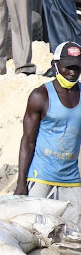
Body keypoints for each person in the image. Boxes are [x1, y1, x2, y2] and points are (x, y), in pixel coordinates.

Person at [15, 41, 81, 227]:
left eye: (77, 67)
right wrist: (21, 182)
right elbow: (28, 141)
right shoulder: (40, 96)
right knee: (35, 229)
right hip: (41, 176)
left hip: (71, 179)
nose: (72, 72)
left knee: (74, 234)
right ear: (56, 65)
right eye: (68, 67)